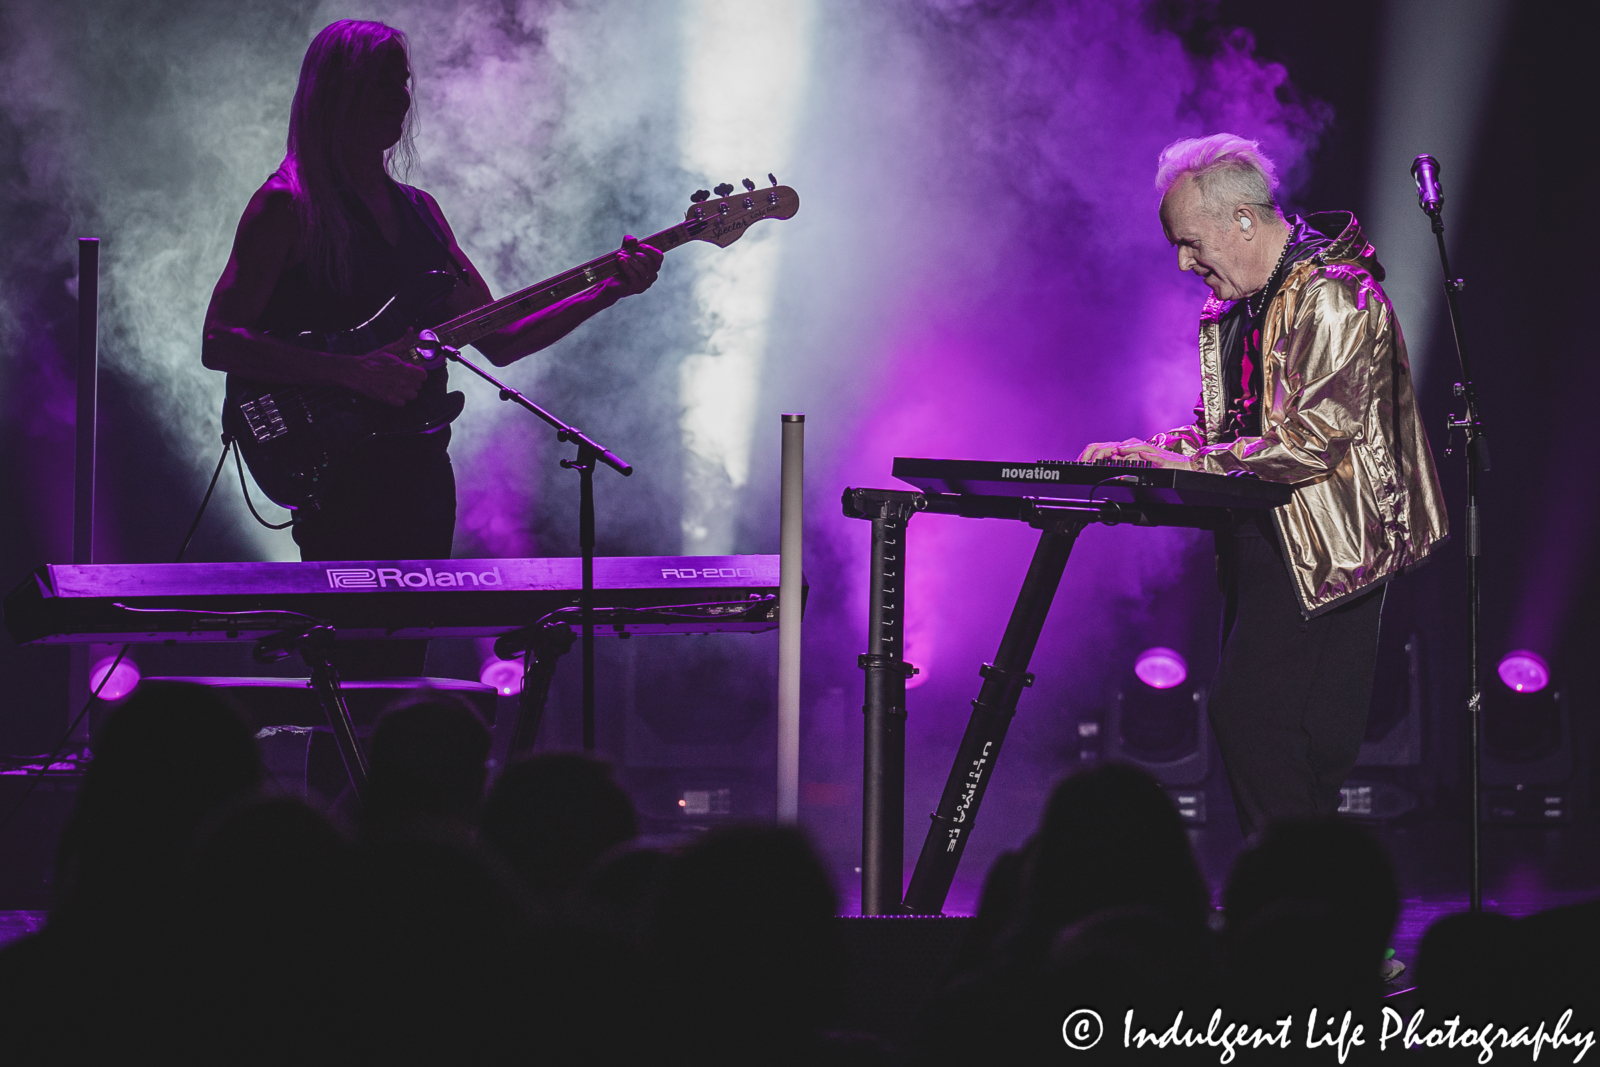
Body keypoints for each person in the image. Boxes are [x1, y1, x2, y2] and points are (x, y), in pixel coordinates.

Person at [201, 19, 661, 676]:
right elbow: (220, 340)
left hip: (417, 470)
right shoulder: (285, 207)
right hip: (334, 471)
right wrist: (350, 371)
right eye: (381, 81)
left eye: (404, 80)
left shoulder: (420, 212)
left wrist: (608, 290)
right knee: (352, 673)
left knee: (401, 672)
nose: (401, 96)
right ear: (338, 94)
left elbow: (499, 338)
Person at [1079, 134, 1448, 839]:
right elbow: (1226, 434)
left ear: (1242, 220)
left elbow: (1310, 440)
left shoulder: (1336, 297)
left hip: (1330, 550)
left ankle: (1310, 914)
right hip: (1263, 533)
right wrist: (1148, 451)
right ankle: (1319, 922)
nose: (1185, 262)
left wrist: (1182, 466)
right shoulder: (1237, 309)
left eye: (1190, 242)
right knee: (1284, 743)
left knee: (1256, 720)